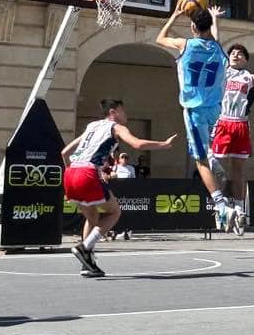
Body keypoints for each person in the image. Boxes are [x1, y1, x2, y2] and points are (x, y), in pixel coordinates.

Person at [61, 100, 175, 276]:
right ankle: (85, 248)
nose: (126, 115)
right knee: (114, 212)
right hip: (87, 172)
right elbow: (137, 144)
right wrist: (164, 144)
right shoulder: (116, 127)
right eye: (123, 111)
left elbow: (64, 152)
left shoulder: (91, 126)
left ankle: (87, 263)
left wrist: (72, 172)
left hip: (70, 173)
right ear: (113, 112)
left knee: (92, 217)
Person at [156, 2, 230, 214]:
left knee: (199, 160)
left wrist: (174, 16)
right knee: (203, 150)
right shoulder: (217, 47)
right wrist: (215, 18)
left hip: (194, 110)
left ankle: (219, 203)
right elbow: (214, 34)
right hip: (215, 109)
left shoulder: (185, 45)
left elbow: (159, 38)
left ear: (193, 28)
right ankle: (212, 154)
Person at [209, 42, 254, 237]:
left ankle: (240, 209)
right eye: (232, 53)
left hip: (241, 123)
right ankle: (221, 207)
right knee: (214, 164)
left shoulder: (250, 77)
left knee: (238, 170)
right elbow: (216, 43)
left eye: (240, 53)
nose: (235, 55)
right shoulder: (223, 71)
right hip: (223, 121)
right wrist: (215, 20)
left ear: (246, 59)